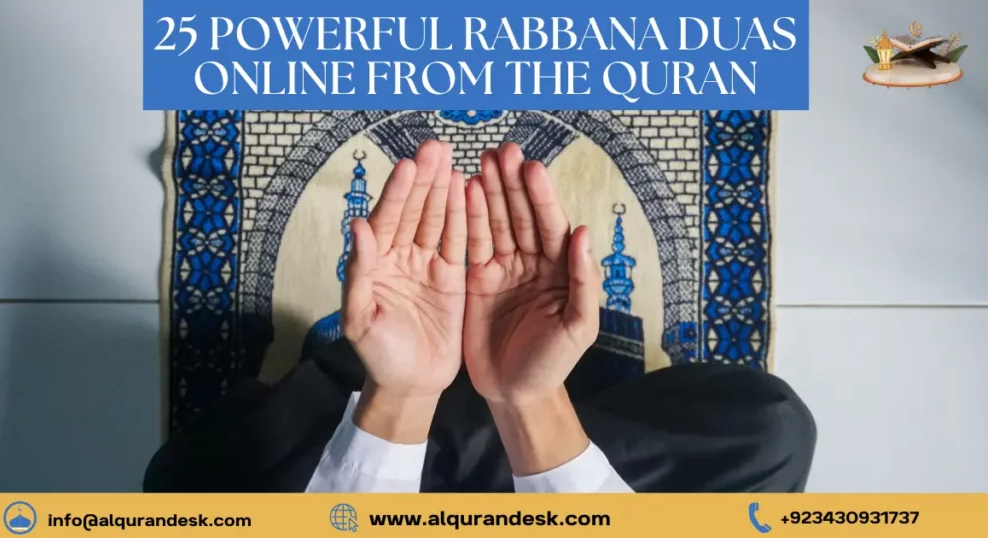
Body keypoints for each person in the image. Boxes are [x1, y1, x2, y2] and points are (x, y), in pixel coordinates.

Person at [144, 141, 816, 493]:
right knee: (769, 431)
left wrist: (402, 397)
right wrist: (529, 405)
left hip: (369, 462)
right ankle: (519, 405)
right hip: (539, 469)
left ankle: (407, 398)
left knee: (186, 489)